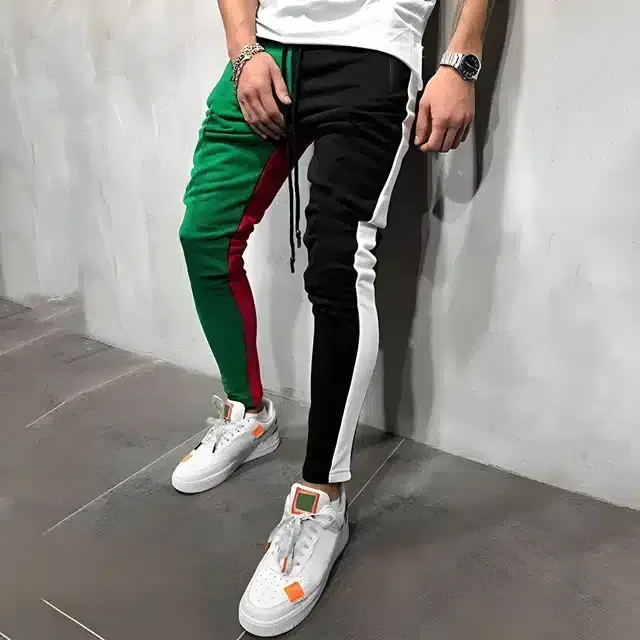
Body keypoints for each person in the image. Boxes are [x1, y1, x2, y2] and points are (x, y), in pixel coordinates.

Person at [173, 0, 494, 635]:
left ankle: (320, 501)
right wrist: (242, 48)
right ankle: (249, 414)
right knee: (204, 235)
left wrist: (461, 59)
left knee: (338, 266)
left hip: (373, 47)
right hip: (267, 49)